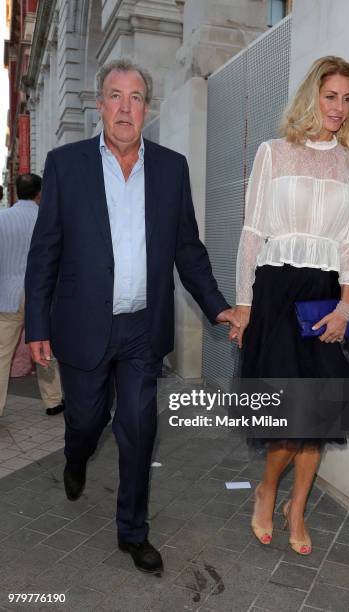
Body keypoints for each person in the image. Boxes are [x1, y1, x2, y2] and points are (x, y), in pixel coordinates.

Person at [25, 58, 237, 575]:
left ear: (147, 108)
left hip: (143, 327)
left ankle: (133, 532)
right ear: (100, 104)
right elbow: (44, 251)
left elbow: (188, 249)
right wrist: (37, 325)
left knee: (140, 428)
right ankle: (76, 457)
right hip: (82, 326)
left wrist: (219, 305)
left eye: (135, 97)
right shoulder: (66, 164)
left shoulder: (170, 168)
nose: (125, 107)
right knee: (87, 420)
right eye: (115, 96)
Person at [229, 56, 349, 555]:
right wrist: (244, 305)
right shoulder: (274, 153)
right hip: (273, 292)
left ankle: (297, 507)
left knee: (318, 418)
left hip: (324, 298)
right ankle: (268, 488)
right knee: (286, 421)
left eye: (347, 99)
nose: (338, 107)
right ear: (313, 96)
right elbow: (251, 234)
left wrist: (345, 307)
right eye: (330, 95)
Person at [0, 173, 64, 418]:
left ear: (14, 191)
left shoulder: (2, 219)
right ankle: (53, 401)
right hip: (43, 293)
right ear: (40, 193)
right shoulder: (49, 219)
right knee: (45, 347)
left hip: (7, 293)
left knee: (2, 353)